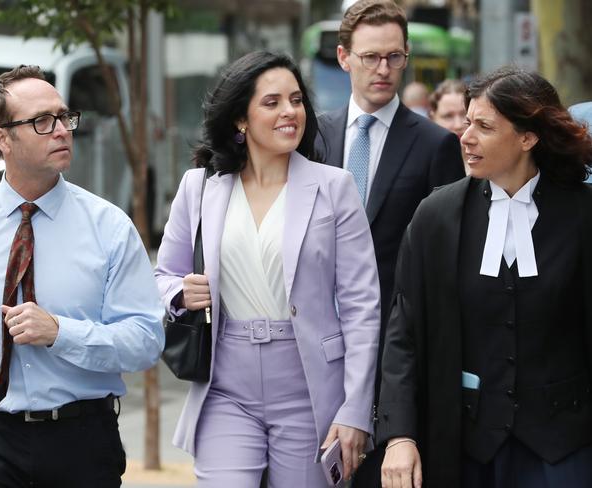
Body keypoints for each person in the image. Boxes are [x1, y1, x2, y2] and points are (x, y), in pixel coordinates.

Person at [155, 51, 380, 487]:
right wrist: (180, 294)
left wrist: (355, 410)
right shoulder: (199, 187)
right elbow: (164, 274)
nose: (290, 112)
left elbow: (361, 307)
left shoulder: (334, 189)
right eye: (272, 102)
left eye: (296, 100)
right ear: (241, 119)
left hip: (309, 387)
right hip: (225, 383)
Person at [0, 65, 164, 487]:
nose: (62, 130)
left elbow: (146, 341)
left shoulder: (109, 228)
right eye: (42, 121)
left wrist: (61, 332)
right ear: (2, 139)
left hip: (81, 437)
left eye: (64, 117)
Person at [378, 66, 592, 488]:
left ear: (528, 137)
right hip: (466, 447)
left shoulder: (584, 215)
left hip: (564, 447)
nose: (465, 135)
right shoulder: (435, 217)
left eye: (484, 126)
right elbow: (403, 335)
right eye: (467, 121)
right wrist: (399, 435)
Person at [314, 1, 464, 484]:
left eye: (395, 57)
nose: (384, 69)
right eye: (370, 57)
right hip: (311, 348)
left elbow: (442, 265)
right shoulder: (314, 136)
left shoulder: (435, 145)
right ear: (343, 57)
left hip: (392, 353)